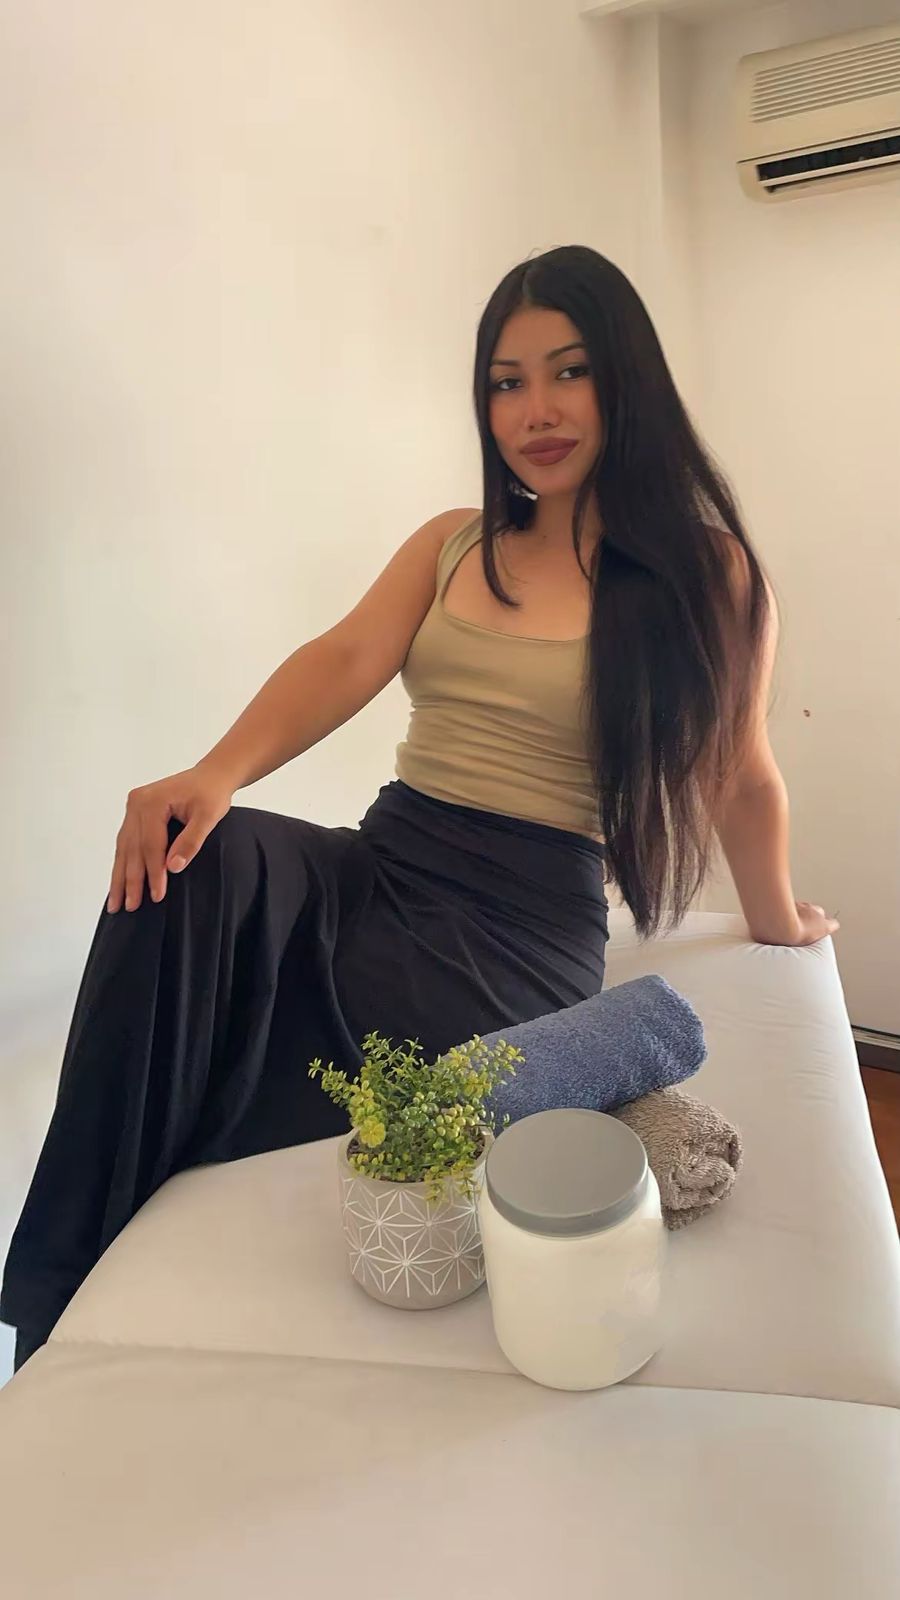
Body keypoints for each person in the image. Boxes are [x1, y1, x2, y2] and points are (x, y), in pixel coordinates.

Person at [2, 245, 838, 1370]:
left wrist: (781, 920)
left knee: (356, 1055)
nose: (536, 410)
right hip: (384, 860)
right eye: (506, 382)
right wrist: (216, 774)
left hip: (518, 923)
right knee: (187, 858)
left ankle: (203, 1145)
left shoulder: (710, 575)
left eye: (570, 371)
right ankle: (57, 1286)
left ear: (626, 379)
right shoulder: (455, 543)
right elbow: (346, 655)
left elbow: (741, 773)